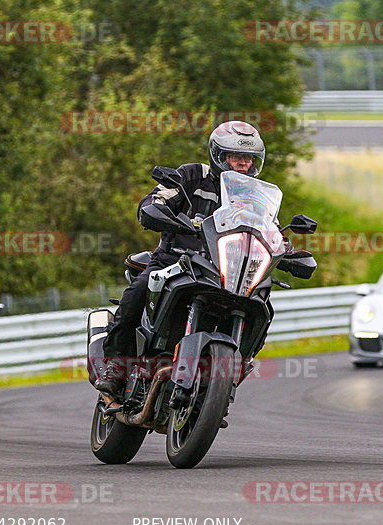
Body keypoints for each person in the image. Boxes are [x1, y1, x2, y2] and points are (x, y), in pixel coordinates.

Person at [95, 121, 271, 396]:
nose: (243, 165)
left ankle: (236, 367)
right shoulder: (193, 176)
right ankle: (115, 365)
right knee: (138, 291)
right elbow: (158, 198)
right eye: (236, 157)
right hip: (175, 260)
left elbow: (270, 230)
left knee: (264, 305)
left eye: (248, 158)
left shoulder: (255, 196)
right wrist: (156, 208)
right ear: (218, 156)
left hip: (229, 272)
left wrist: (287, 248)